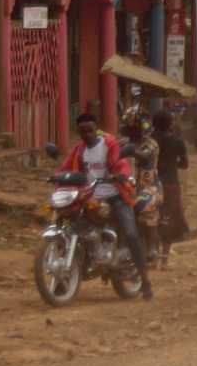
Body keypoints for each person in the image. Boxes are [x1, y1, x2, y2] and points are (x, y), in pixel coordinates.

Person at [59, 113, 152, 300]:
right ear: (79, 133)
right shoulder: (78, 150)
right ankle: (62, 282)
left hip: (114, 196)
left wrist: (123, 174)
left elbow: (123, 163)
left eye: (90, 131)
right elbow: (66, 168)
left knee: (130, 231)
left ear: (96, 129)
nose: (87, 135)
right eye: (83, 132)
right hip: (89, 197)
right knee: (70, 231)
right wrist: (57, 177)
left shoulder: (109, 144)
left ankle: (146, 280)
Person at [119, 107, 164, 282]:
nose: (124, 127)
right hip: (126, 186)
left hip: (148, 186)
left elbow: (145, 158)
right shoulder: (122, 141)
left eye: (128, 125)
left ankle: (152, 246)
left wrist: (129, 150)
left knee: (143, 204)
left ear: (136, 126)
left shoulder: (151, 144)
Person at [152, 110, 189, 271]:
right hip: (172, 184)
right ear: (171, 124)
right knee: (169, 220)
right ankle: (164, 262)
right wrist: (172, 164)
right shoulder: (178, 142)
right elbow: (185, 164)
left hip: (153, 184)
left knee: (152, 219)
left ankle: (152, 259)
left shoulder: (151, 142)